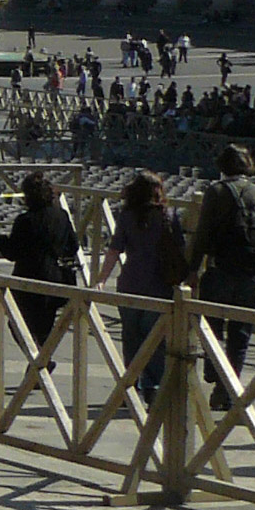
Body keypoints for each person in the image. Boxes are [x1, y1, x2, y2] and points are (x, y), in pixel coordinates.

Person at [186, 145, 255, 385]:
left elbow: (203, 234)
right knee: (240, 337)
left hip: (220, 270)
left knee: (212, 328)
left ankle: (214, 371)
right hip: (251, 274)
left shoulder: (216, 191)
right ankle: (228, 389)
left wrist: (193, 269)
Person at [106, 171, 184, 402]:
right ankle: (152, 385)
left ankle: (130, 383)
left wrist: (100, 279)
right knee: (155, 339)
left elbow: (115, 249)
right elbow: (180, 248)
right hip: (159, 284)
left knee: (131, 337)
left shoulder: (127, 215)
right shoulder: (169, 215)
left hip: (130, 281)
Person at [1, 171, 82, 351]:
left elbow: (13, 252)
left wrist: (0, 242)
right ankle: (42, 360)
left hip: (27, 278)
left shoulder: (25, 220)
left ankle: (39, 360)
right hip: (54, 276)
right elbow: (73, 245)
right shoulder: (61, 216)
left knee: (18, 324)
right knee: (45, 326)